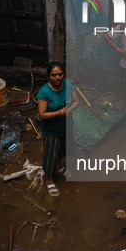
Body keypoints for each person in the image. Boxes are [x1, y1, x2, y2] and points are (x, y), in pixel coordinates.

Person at [37, 62, 79, 197]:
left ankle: (59, 166)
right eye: (53, 75)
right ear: (49, 76)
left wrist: (69, 110)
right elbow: (42, 115)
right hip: (51, 130)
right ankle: (50, 179)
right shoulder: (44, 92)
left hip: (66, 127)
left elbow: (76, 102)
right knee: (50, 155)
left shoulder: (68, 85)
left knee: (62, 150)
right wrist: (60, 113)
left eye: (60, 74)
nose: (57, 78)